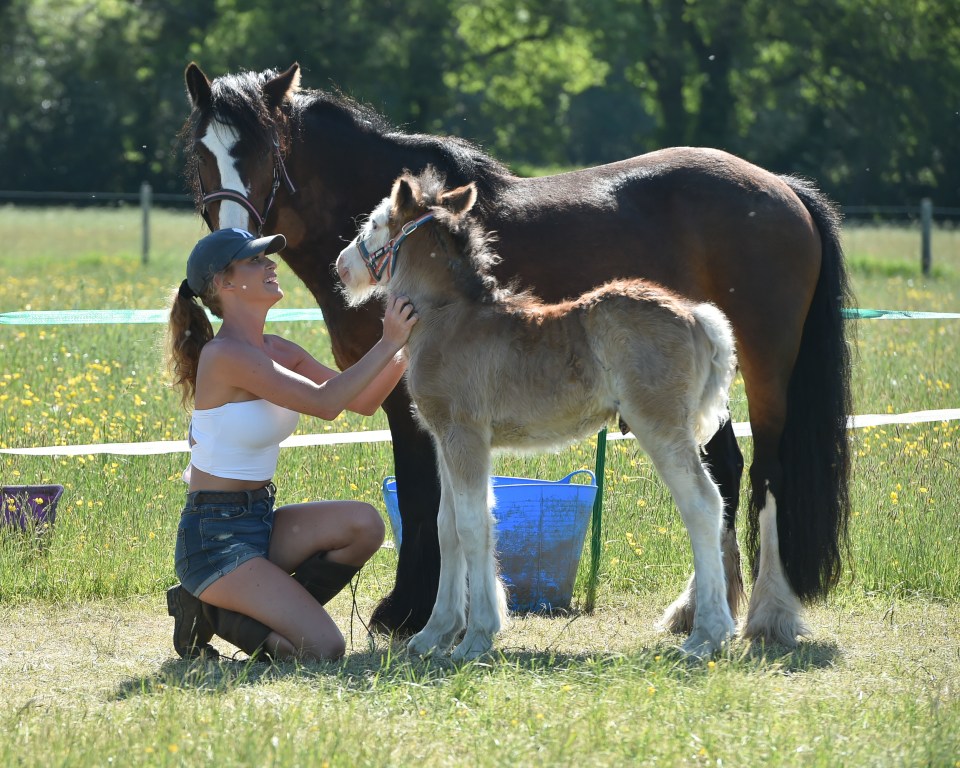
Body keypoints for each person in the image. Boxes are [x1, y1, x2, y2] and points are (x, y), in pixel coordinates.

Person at [164, 227, 417, 662]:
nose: (271, 265)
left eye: (267, 258)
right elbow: (325, 404)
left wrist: (409, 346)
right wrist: (389, 341)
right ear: (224, 283)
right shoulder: (225, 356)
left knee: (364, 525)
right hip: (212, 537)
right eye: (256, 260)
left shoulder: (278, 349)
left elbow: (361, 401)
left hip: (258, 521)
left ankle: (257, 608)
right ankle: (208, 609)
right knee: (322, 649)